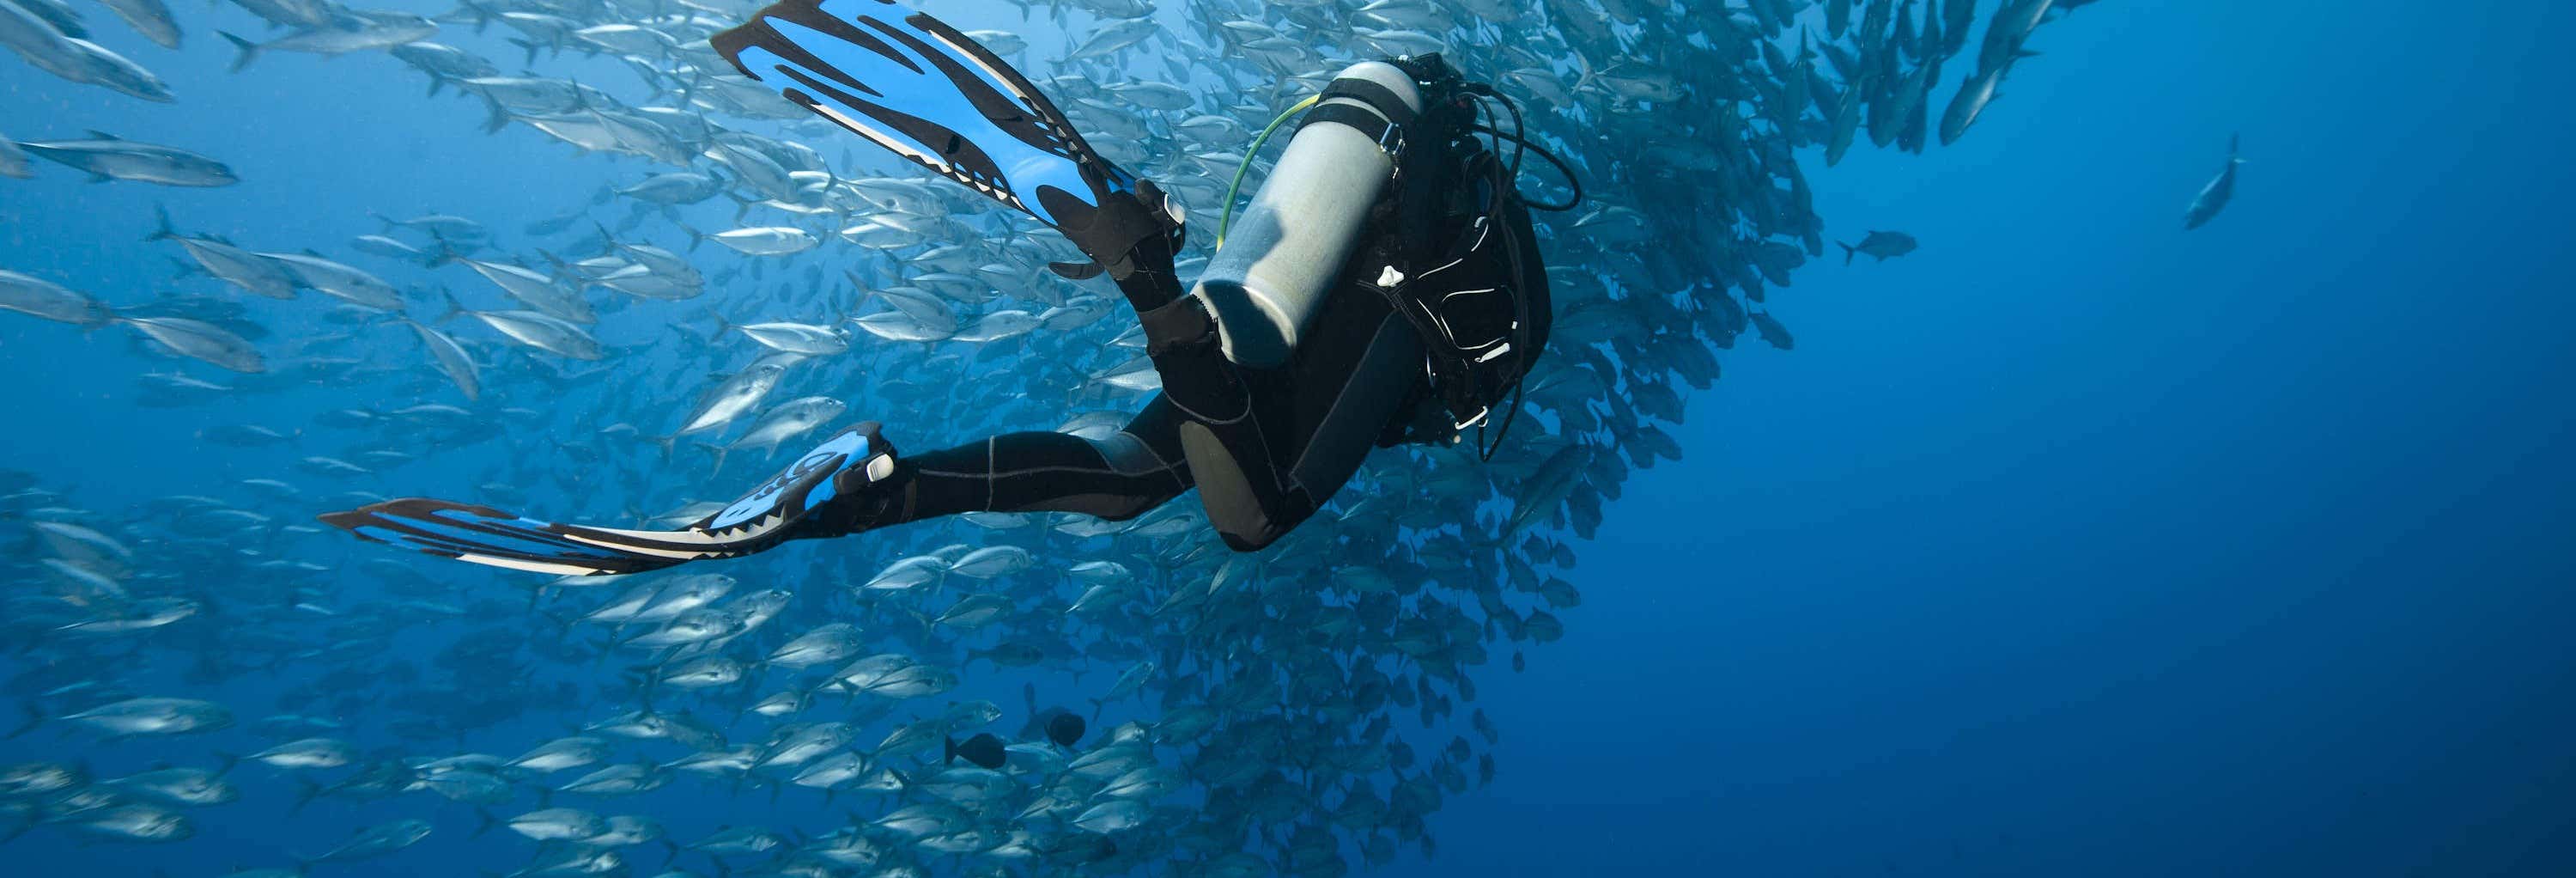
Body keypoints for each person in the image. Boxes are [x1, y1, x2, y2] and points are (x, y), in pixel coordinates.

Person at [319, 0, 1577, 575]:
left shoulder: (1400, 154)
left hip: (1262, 303)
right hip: (1350, 327)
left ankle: (887, 486)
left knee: (1141, 478)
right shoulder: (1476, 228)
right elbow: (1461, 364)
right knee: (1256, 517)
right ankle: (1142, 276)